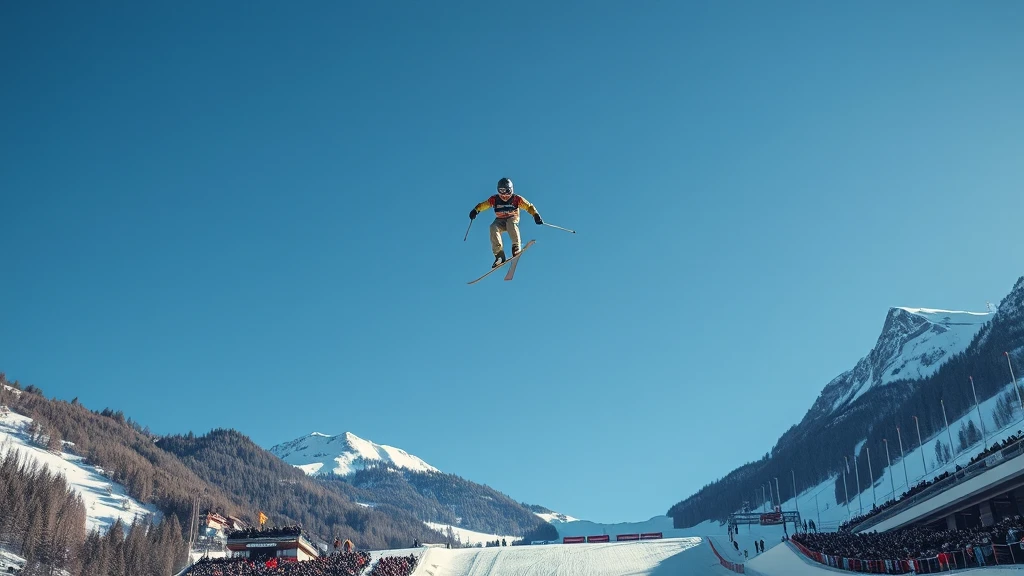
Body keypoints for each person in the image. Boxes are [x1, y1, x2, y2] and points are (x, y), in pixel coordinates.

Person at [469, 177, 543, 268]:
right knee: (493, 227)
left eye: (507, 191)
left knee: (511, 224)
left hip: (512, 217)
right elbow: (484, 204)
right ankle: (499, 255)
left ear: (511, 190)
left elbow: (528, 206)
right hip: (500, 220)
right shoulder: (494, 199)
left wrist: (535, 215)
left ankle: (516, 246)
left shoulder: (516, 199)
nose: (504, 195)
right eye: (501, 191)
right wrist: (476, 210)